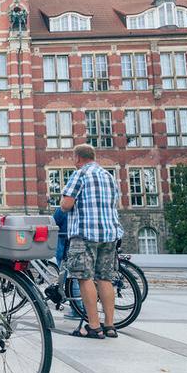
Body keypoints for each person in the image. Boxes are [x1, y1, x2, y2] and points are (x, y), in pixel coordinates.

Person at [60, 144, 123, 339]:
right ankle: (110, 325)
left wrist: (63, 203)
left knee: (85, 277)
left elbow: (66, 205)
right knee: (105, 278)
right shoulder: (108, 176)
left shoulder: (80, 174)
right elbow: (116, 203)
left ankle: (93, 326)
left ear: (78, 158)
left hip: (86, 233)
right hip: (109, 234)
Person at [52, 207, 83, 319]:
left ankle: (77, 310)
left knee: (71, 280)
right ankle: (83, 308)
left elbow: (53, 224)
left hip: (64, 247)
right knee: (80, 279)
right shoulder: (83, 206)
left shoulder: (62, 209)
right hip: (81, 245)